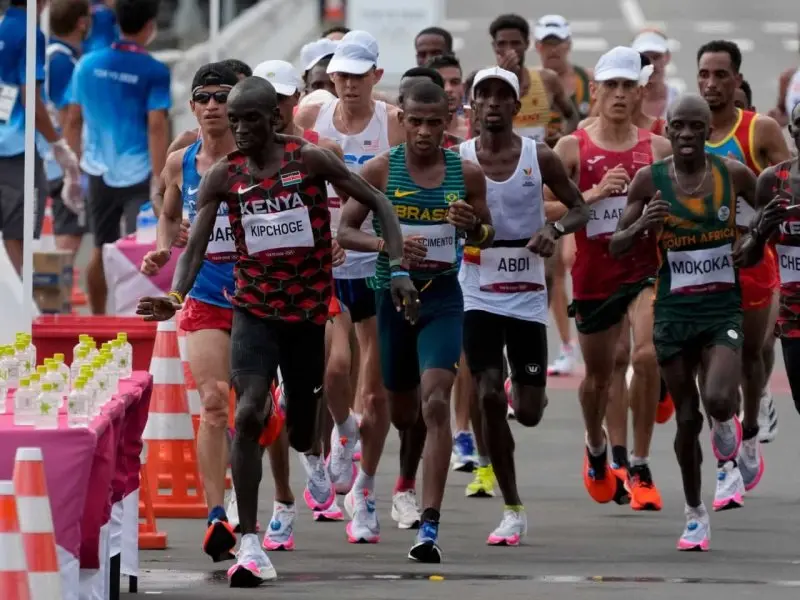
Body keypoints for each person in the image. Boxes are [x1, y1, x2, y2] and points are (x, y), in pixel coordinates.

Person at [137, 76, 414, 587]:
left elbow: (382, 206)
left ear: (276, 119)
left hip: (307, 314)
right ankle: (248, 539)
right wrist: (174, 298)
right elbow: (195, 245)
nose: (241, 128)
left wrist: (395, 267)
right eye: (235, 119)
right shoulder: (224, 175)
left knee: (304, 430)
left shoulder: (309, 160)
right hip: (253, 311)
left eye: (251, 119)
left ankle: (309, 428)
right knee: (244, 412)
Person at [338, 80, 494, 562]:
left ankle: (429, 525)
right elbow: (345, 231)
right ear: (401, 119)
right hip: (392, 298)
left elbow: (487, 235)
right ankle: (402, 480)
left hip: (444, 298)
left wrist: (472, 226)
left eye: (435, 122)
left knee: (435, 402)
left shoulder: (467, 174)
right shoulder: (380, 169)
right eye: (416, 122)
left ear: (448, 122)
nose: (425, 131)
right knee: (405, 414)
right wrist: (387, 245)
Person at [609, 93, 765, 551]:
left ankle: (726, 423)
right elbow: (617, 244)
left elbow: (761, 225)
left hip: (721, 309)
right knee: (686, 418)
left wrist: (749, 244)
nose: (687, 135)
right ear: (668, 130)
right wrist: (642, 225)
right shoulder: (648, 181)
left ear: (708, 131)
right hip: (673, 312)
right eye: (678, 126)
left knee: (717, 398)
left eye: (696, 126)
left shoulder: (732, 174)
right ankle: (695, 513)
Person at [459, 66, 589, 545]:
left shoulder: (540, 156)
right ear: (472, 107)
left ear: (517, 107)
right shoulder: (458, 160)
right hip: (476, 289)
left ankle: (524, 385)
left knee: (529, 411)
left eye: (502, 96)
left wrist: (553, 230)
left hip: (528, 294)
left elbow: (580, 209)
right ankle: (512, 507)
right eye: (483, 95)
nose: (493, 103)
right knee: (488, 392)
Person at [553, 46, 672, 510]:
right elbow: (539, 208)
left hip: (645, 269)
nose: (621, 94)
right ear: (597, 91)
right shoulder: (572, 148)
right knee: (600, 377)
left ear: (641, 92)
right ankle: (598, 448)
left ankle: (638, 464)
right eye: (613, 86)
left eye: (629, 86)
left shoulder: (656, 149)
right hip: (594, 273)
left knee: (645, 356)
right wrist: (593, 194)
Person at [295, 29, 404, 512]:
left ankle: (365, 489)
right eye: (341, 73)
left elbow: (402, 194)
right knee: (334, 368)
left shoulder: (394, 123)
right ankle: (342, 431)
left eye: (359, 75)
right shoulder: (310, 117)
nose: (349, 83)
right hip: (329, 265)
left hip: (376, 263)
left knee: (376, 393)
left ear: (376, 76)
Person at [140, 63, 245, 562]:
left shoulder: (260, 159)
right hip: (203, 294)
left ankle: (275, 495)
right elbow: (167, 211)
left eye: (220, 97)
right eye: (201, 97)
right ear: (192, 106)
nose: (210, 106)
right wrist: (166, 246)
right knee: (214, 402)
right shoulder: (180, 160)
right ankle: (216, 514)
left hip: (264, 297)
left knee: (256, 412)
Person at [252, 58, 357, 522]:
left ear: (296, 100)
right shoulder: (244, 156)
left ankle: (343, 427)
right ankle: (297, 474)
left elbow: (359, 196)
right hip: (262, 288)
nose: (272, 109)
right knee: (271, 397)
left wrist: (340, 236)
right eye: (264, 101)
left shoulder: (320, 148)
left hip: (317, 282)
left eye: (279, 100)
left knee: (334, 371)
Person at [698, 40, 791, 494]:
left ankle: (750, 430)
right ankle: (724, 457)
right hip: (703, 265)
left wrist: (760, 224)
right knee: (711, 365)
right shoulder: (684, 132)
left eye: (720, 75)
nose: (711, 84)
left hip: (755, 262)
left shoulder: (761, 131)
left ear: (737, 80)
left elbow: (790, 184)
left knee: (751, 357)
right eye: (705, 75)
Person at [63, 0, 170, 314]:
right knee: (142, 248)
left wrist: (72, 171)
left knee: (100, 246)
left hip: (97, 171)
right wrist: (159, 176)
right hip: (139, 173)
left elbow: (72, 119)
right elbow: (156, 126)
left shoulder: (87, 63)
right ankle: (137, 318)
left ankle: (99, 318)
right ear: (150, 26)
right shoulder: (154, 70)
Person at [0, 0, 80, 275]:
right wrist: (58, 144)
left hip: (11, 142)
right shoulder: (30, 33)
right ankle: (25, 307)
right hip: (15, 148)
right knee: (18, 231)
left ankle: (22, 303)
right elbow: (30, 99)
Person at [38, 0, 91, 258]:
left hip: (53, 159)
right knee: (67, 244)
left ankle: (54, 295)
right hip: (61, 163)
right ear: (82, 22)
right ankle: (53, 297)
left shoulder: (55, 56)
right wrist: (74, 169)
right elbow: (69, 118)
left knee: (66, 242)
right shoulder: (62, 62)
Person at [758, 102, 800, 419]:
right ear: (792, 131)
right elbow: (752, 250)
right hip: (792, 317)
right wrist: (761, 230)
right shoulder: (773, 181)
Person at [488, 14, 579, 146]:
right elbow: (476, 130)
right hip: (500, 163)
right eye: (502, 44)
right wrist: (501, 80)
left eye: (515, 43)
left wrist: (562, 140)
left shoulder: (547, 79)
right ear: (494, 46)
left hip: (538, 163)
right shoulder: (483, 82)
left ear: (527, 44)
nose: (509, 50)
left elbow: (572, 117)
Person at [532, 15, 593, 124]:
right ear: (537, 46)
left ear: (569, 45)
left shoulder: (588, 79)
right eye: (547, 44)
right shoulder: (527, 82)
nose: (553, 50)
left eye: (558, 43)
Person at [631, 29, 680, 119]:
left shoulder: (679, 102)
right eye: (644, 58)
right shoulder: (624, 102)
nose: (651, 65)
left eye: (656, 57)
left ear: (668, 57)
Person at [427, 54, 470, 140]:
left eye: (455, 82)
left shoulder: (477, 130)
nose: (448, 89)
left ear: (463, 87)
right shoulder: (415, 133)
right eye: (441, 83)